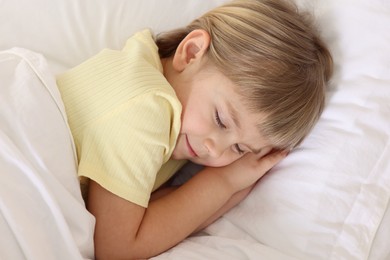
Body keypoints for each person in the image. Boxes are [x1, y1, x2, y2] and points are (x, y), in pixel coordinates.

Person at [56, 0, 333, 258]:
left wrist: (230, 187)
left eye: (239, 148)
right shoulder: (146, 109)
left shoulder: (163, 90)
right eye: (221, 120)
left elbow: (153, 215)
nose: (215, 150)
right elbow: (115, 248)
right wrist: (224, 182)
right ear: (191, 53)